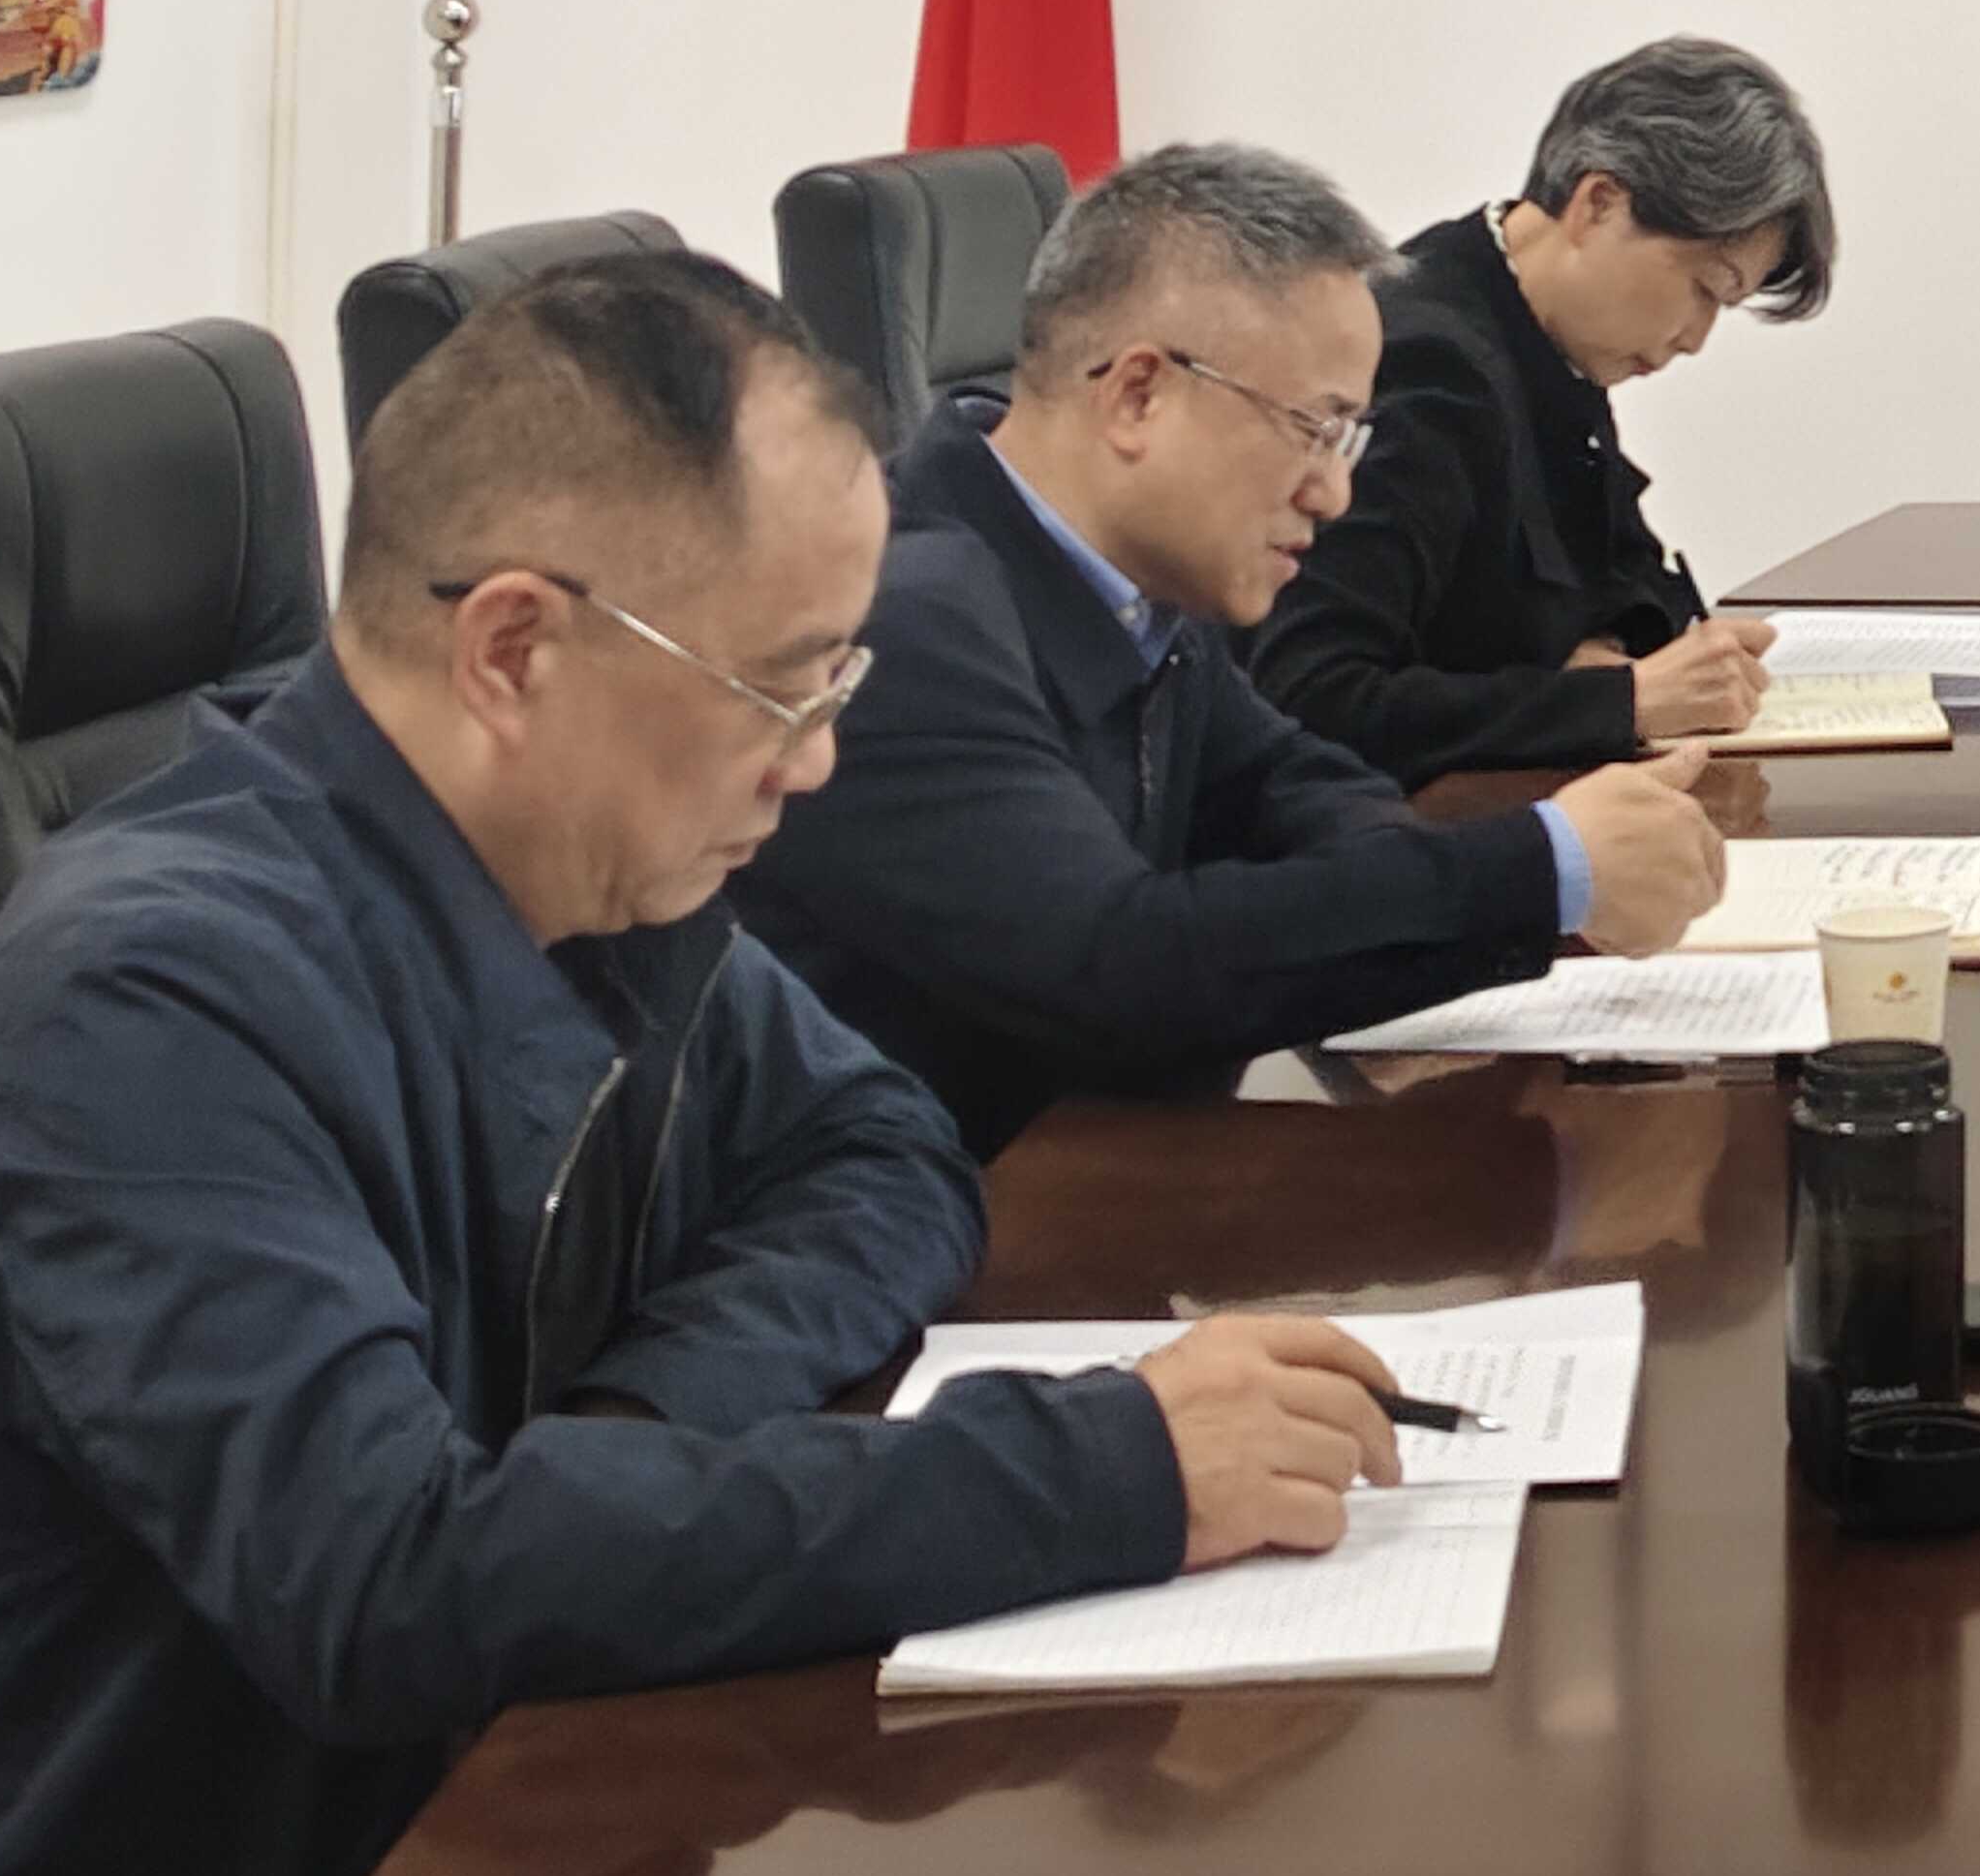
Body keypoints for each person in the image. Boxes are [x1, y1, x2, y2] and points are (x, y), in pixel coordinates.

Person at [0, 258, 1416, 1876]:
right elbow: (388, 1587)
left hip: (427, 1860)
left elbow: (884, 1153)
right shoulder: (151, 995)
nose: (814, 759)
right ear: (518, 646)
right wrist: (1107, 1467)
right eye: (787, 683)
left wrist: (626, 1427)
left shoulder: (588, 866)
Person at [736, 141, 1719, 1148]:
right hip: (944, 1210)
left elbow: (1301, 787)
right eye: (1315, 429)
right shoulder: (902, 620)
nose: (1334, 493)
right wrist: (1542, 869)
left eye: (1349, 442)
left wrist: (1460, 885)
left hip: (1101, 1174)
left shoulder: (1139, 582)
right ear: (1137, 395)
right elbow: (1121, 968)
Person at [1253, 38, 1834, 786]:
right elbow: (1310, 697)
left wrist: (1605, 649)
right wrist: (1619, 701)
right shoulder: (1427, 369)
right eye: (1703, 289)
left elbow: (1626, 578)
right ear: (1599, 204)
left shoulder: (1548, 341)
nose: (1695, 339)